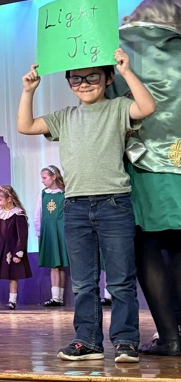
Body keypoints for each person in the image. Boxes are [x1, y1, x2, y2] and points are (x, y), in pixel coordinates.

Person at [17, 48, 156, 363]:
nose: (84, 83)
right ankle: (88, 341)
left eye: (92, 76)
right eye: (76, 78)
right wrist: (28, 91)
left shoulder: (118, 108)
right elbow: (25, 126)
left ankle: (125, 342)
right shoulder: (64, 116)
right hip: (76, 207)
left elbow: (147, 106)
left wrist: (127, 71)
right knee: (82, 282)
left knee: (120, 279)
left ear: (108, 79)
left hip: (114, 203)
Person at [116, 0, 181, 355]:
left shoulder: (123, 54)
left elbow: (108, 103)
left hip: (144, 167)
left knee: (148, 249)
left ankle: (170, 338)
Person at [35, 164, 68, 307]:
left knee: (59, 265)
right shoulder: (43, 194)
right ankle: (55, 297)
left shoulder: (64, 194)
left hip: (61, 230)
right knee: (54, 265)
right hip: (48, 230)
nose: (42, 181)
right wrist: (39, 232)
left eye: (45, 177)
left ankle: (58, 297)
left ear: (54, 177)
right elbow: (38, 215)